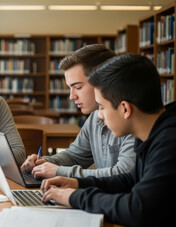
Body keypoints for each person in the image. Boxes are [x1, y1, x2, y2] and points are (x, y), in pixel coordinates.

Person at [41, 54, 175, 227]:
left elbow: (138, 209)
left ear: (125, 109)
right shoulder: (150, 132)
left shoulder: (169, 141)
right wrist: (78, 183)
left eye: (102, 107)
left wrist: (74, 197)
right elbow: (130, 180)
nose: (100, 116)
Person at [21, 44, 136, 178]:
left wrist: (58, 171)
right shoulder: (94, 117)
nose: (71, 96)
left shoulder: (132, 118)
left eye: (78, 87)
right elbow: (74, 156)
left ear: (103, 81)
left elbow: (124, 174)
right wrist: (44, 162)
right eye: (70, 88)